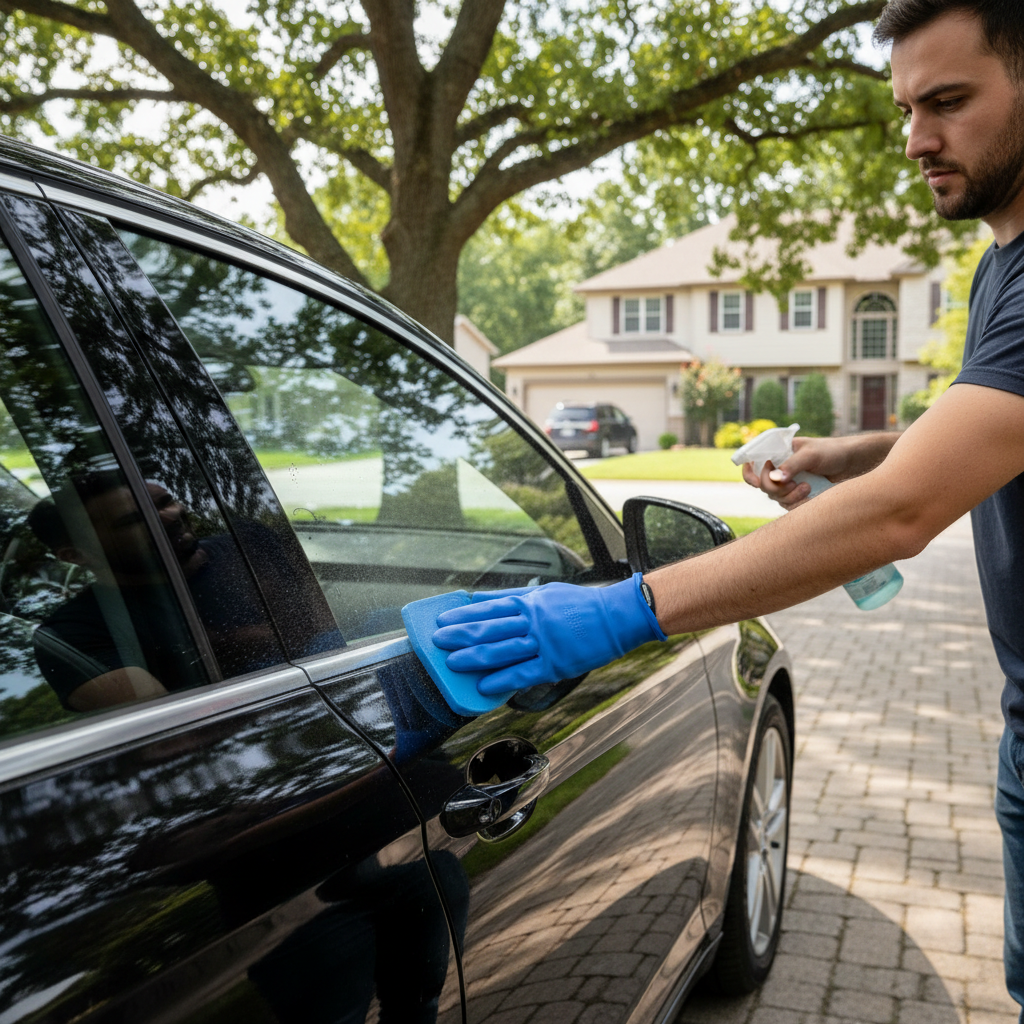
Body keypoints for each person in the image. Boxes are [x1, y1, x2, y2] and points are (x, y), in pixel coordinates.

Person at [430, 0, 1024, 1015]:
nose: (917, 139)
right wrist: (843, 451)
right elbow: (982, 428)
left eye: (949, 102)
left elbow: (901, 514)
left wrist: (613, 612)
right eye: (904, 109)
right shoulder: (998, 265)